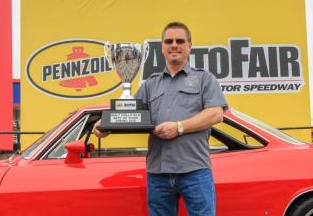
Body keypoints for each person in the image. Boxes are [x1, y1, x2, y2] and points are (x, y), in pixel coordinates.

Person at [93, 21, 228, 216]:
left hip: (195, 171)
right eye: (169, 41)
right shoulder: (150, 84)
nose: (174, 45)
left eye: (180, 41)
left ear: (190, 45)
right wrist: (105, 124)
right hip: (158, 174)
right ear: (162, 48)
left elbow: (216, 114)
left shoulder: (204, 79)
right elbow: (132, 115)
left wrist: (179, 127)